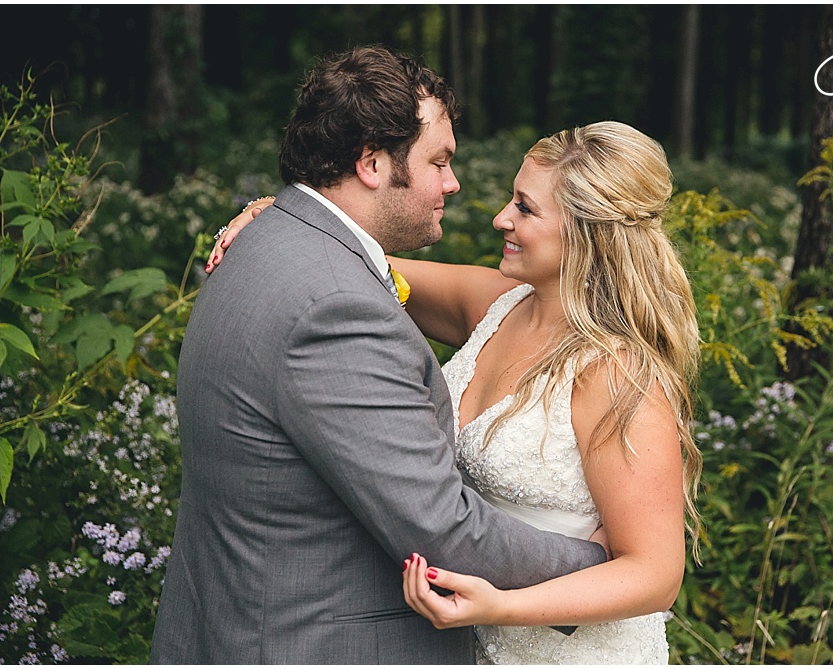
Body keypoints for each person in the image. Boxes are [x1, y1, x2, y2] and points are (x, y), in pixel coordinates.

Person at [149, 46, 608, 665]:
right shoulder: (336, 310)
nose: (455, 183)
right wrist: (598, 564)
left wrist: (277, 208)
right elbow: (441, 530)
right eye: (438, 162)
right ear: (371, 163)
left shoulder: (269, 244)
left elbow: (363, 267)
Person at [210, 120, 702, 664]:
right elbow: (349, 260)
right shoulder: (497, 303)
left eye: (526, 208)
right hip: (464, 638)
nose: (501, 218)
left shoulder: (615, 373)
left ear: (588, 234)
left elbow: (655, 575)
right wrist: (283, 220)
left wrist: (498, 607)